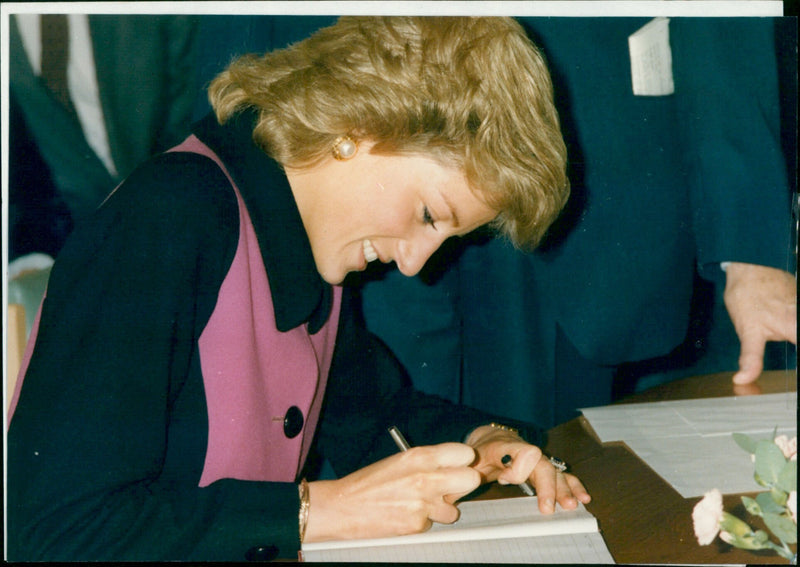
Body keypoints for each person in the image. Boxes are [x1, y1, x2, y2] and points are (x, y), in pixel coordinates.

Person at [6, 17, 589, 562]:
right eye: (430, 216)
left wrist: (483, 445)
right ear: (359, 126)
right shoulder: (167, 217)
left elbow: (371, 417)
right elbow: (45, 529)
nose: (414, 263)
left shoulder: (308, 240)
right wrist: (316, 510)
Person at [360, 17, 797, 429]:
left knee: (542, 475)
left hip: (576, 184)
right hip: (373, 153)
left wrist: (750, 252)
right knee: (383, 433)